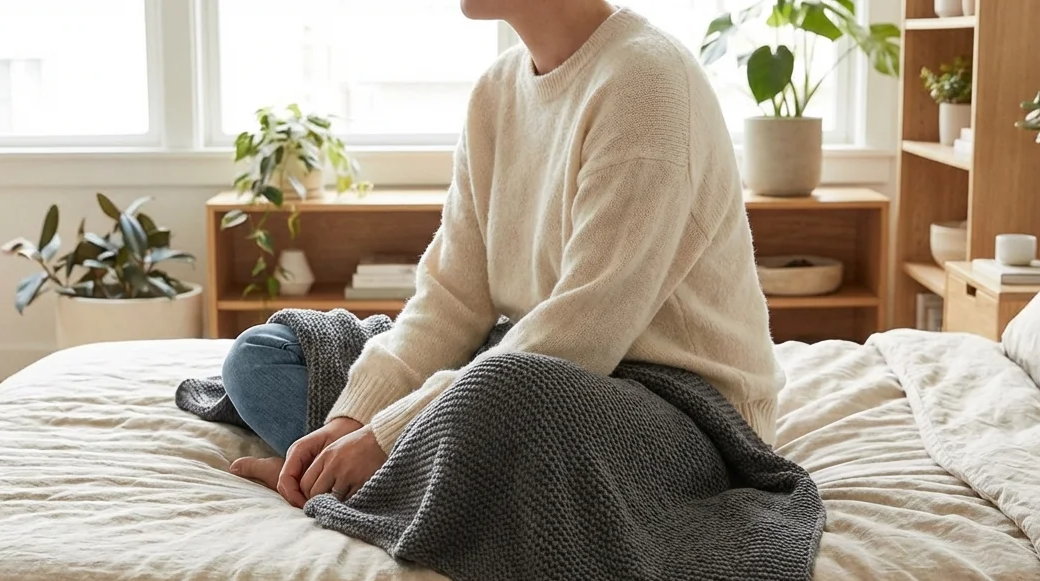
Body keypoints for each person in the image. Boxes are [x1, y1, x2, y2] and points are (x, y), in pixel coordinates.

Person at [223, 0, 782, 508]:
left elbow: (583, 331)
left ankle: (372, 479)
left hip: (683, 411)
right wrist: (355, 416)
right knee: (263, 358)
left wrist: (388, 435)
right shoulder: (496, 91)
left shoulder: (648, 82)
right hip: (536, 366)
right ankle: (357, 471)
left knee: (509, 396)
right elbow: (451, 299)